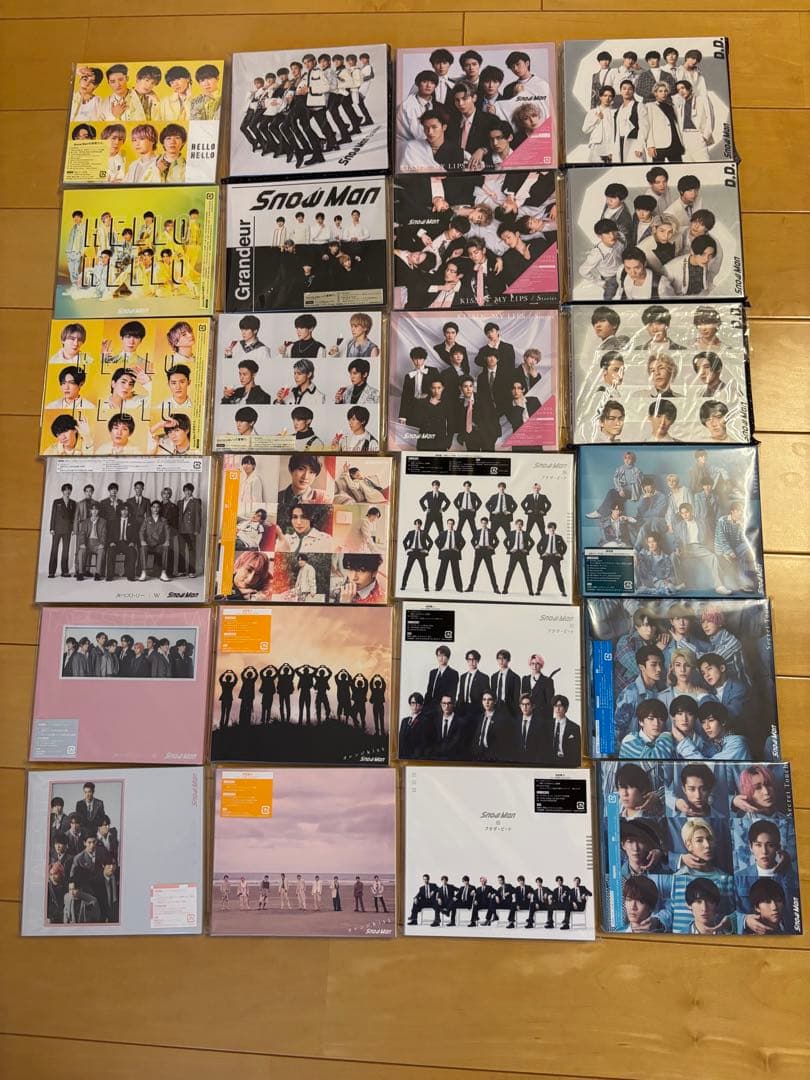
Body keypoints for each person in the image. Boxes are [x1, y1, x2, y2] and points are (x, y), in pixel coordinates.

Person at [467, 516, 499, 593]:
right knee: (475, 569)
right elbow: (472, 540)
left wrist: (492, 547)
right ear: (481, 523)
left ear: (487, 523)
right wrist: (475, 546)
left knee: (490, 570)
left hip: (487, 551)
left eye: (485, 523)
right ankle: (470, 587)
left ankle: (495, 588)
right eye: (482, 523)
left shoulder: (491, 531)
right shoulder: (477, 532)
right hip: (479, 551)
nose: (484, 524)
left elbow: (497, 541)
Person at [535, 522, 567, 597]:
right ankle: (538, 590)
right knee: (543, 574)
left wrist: (560, 554)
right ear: (548, 529)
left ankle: (563, 591)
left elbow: (565, 547)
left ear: (555, 529)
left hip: (555, 558)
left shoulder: (559, 537)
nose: (552, 529)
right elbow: (538, 546)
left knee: (558, 575)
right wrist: (542, 554)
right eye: (550, 528)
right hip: (546, 558)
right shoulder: (544, 537)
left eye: (553, 528)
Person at [434, 518, 465, 592]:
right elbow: (436, 541)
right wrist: (441, 548)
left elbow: (463, 542)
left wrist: (458, 548)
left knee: (456, 571)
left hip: (454, 553)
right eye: (449, 524)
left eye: (451, 524)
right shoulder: (442, 533)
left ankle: (459, 588)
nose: (450, 525)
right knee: (442, 570)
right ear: (447, 524)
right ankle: (438, 587)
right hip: (445, 553)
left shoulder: (458, 533)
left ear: (453, 524)